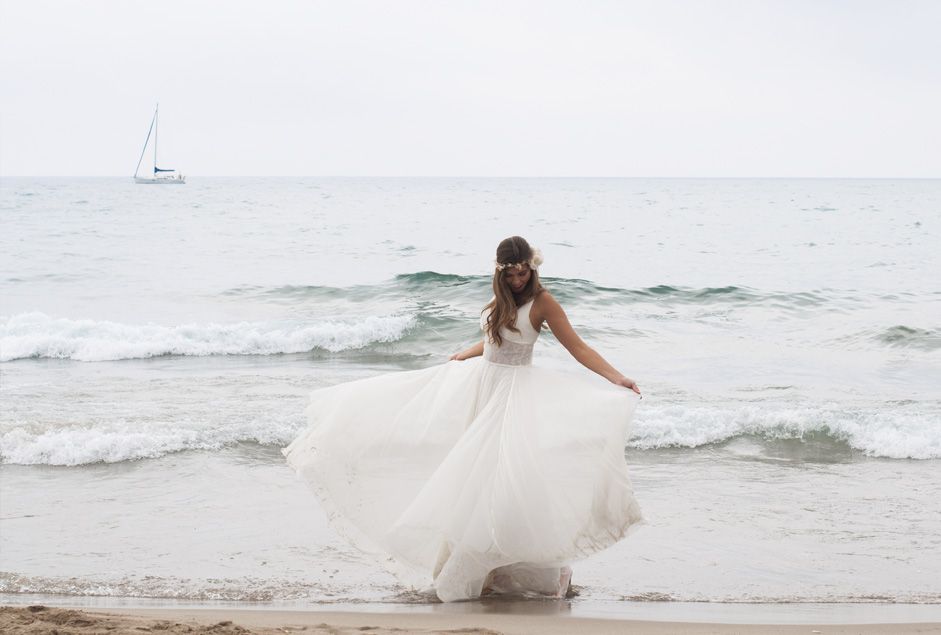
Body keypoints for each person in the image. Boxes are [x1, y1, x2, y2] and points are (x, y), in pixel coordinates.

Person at [284, 236, 643, 602]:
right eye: (512, 274)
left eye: (523, 272)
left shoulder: (543, 302)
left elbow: (578, 346)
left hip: (511, 399)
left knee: (501, 484)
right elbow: (496, 341)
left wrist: (616, 377)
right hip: (483, 389)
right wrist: (467, 353)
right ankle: (495, 570)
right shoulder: (500, 300)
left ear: (532, 269)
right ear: (500, 272)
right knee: (476, 483)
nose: (518, 279)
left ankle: (537, 570)